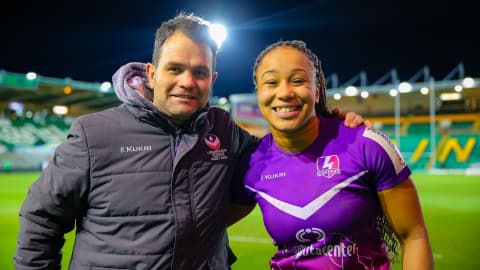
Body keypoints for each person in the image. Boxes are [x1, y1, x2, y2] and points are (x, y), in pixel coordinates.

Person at [14, 13, 366, 270]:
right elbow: (42, 218)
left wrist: (328, 126)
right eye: (175, 69)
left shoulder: (224, 130)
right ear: (152, 73)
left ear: (212, 79)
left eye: (199, 72)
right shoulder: (95, 134)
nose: (187, 81)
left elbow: (280, 150)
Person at [233, 40, 434, 269]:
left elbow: (413, 235)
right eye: (271, 82)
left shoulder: (366, 145)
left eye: (298, 81)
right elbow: (203, 225)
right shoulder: (251, 164)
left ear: (317, 91)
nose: (285, 92)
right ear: (258, 92)